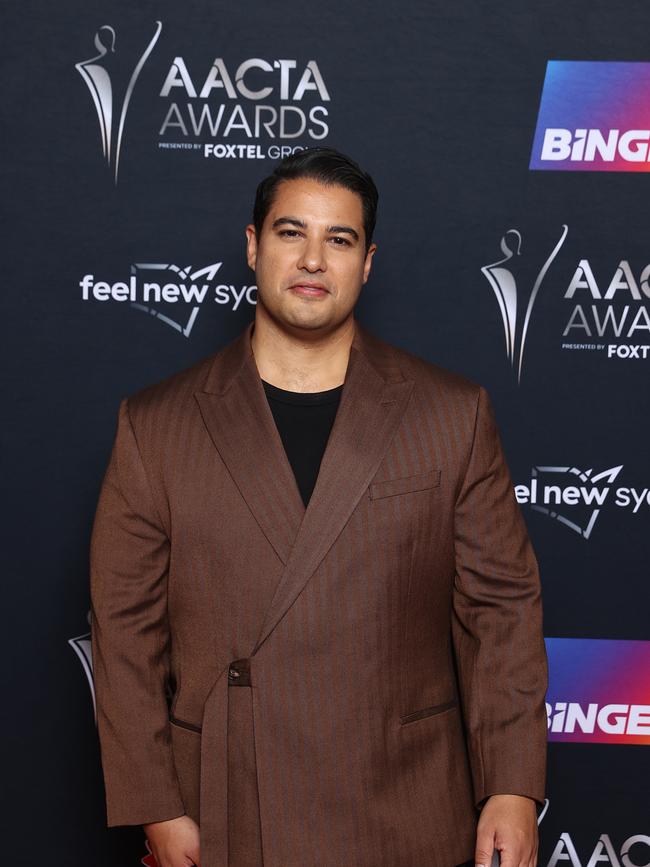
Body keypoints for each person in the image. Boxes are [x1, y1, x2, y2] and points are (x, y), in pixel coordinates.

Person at [90, 147, 548, 867]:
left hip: (406, 811)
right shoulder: (156, 424)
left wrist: (514, 786)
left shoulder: (450, 414)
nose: (312, 259)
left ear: (367, 262)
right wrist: (157, 805)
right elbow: (123, 636)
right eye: (289, 233)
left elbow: (502, 613)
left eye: (338, 240)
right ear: (251, 247)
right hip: (228, 810)